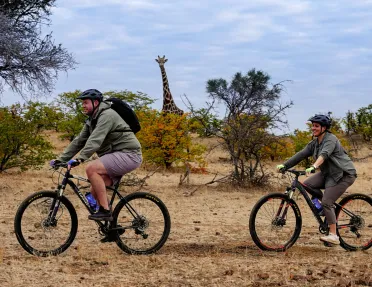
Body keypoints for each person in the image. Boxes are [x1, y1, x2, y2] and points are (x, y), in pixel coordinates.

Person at [51, 89, 142, 221]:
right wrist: (61, 159)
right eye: (82, 103)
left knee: (91, 168)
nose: (83, 105)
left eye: (86, 102)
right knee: (95, 190)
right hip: (116, 155)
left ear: (95, 102)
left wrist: (79, 159)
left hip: (129, 154)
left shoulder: (107, 115)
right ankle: (112, 229)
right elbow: (79, 141)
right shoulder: (91, 120)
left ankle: (105, 210)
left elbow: (95, 140)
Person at [276, 114, 357, 245]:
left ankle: (333, 235)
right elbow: (301, 154)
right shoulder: (314, 143)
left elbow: (324, 155)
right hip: (328, 174)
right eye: (313, 126)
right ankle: (326, 210)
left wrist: (314, 166)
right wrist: (285, 165)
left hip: (343, 174)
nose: (313, 128)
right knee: (307, 184)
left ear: (324, 128)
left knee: (327, 201)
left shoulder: (331, 139)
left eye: (316, 126)